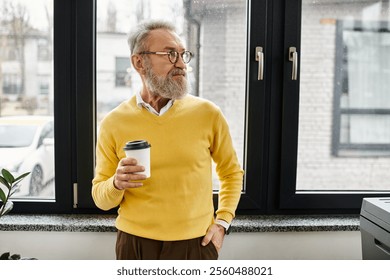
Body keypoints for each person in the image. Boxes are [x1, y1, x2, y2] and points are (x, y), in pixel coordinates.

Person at [92, 20, 244, 260]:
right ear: (139, 62)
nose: (181, 64)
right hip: (134, 245)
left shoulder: (208, 113)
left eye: (183, 55)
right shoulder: (113, 122)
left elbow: (232, 173)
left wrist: (223, 222)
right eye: (171, 54)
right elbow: (100, 198)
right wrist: (116, 183)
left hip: (196, 244)